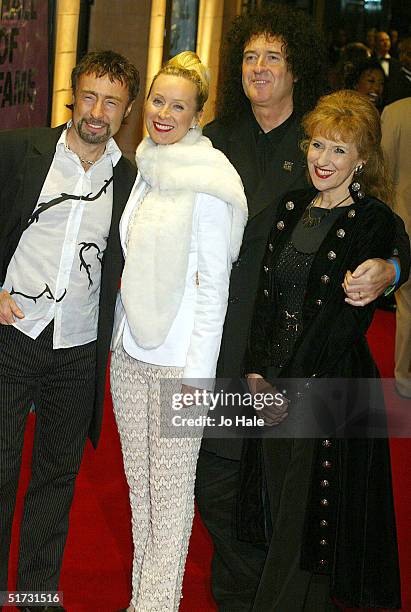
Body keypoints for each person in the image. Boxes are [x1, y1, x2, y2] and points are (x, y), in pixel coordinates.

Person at [193, 5, 410, 612]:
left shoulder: (321, 136)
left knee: (284, 502)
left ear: (297, 69)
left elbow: (384, 233)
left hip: (300, 368)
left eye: (274, 57)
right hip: (223, 344)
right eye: (249, 56)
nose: (259, 68)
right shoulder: (215, 140)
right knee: (217, 487)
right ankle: (250, 591)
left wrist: (391, 269)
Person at [244, 89, 403, 611]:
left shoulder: (372, 221)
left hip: (325, 386)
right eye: (318, 145)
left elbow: (342, 321)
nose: (324, 160)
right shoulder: (292, 206)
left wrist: (289, 384)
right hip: (272, 383)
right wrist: (256, 373)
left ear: (361, 161)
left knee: (301, 525)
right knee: (287, 517)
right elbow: (266, 298)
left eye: (339, 150)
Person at [0, 51, 140, 611]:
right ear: (71, 96)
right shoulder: (21, 150)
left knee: (57, 478)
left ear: (126, 111)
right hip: (15, 333)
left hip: (80, 345)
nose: (97, 110)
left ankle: (35, 594)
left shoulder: (129, 178)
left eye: (111, 101)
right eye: (89, 96)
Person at [109, 51, 247, 612]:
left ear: (197, 115)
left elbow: (215, 292)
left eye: (179, 106)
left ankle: (157, 605)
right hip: (130, 354)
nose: (164, 113)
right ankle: (143, 601)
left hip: (178, 365)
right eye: (158, 101)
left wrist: (196, 382)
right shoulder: (146, 163)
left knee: (170, 504)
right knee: (141, 499)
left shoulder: (211, 182)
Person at [381, 97, 411, 397]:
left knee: (408, 307)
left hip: (406, 226)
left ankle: (404, 377)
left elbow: (383, 173)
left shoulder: (397, 113)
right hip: (404, 228)